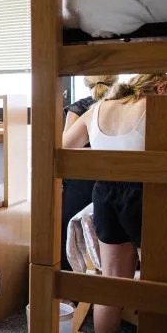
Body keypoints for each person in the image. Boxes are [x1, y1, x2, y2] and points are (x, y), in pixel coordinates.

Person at [62, 73, 167, 333]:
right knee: (155, 284)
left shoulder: (96, 109)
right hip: (143, 193)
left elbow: (65, 146)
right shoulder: (157, 107)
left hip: (104, 194)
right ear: (163, 88)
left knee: (111, 283)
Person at [60, 75, 118, 269]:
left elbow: (66, 147)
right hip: (113, 180)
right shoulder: (121, 105)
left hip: (80, 180)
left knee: (71, 233)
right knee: (109, 240)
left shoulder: (79, 108)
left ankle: (72, 279)